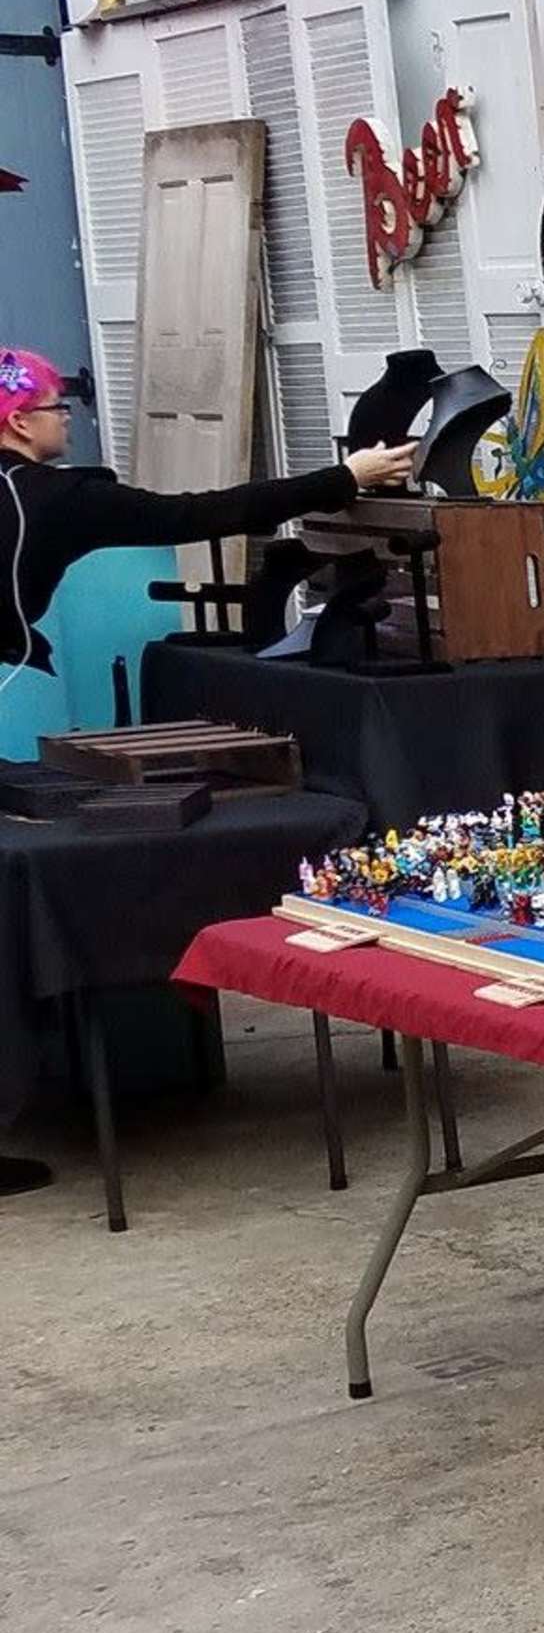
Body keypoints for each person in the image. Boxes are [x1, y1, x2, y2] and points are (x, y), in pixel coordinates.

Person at [1, 347, 421, 1198]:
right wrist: (343, 478)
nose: (68, 419)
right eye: (56, 408)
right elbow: (200, 513)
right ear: (16, 421)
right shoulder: (55, 499)